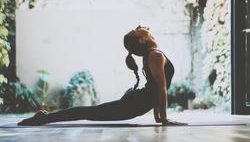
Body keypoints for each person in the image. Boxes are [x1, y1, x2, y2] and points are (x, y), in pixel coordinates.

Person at [17, 25, 186, 126]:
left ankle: (45, 117)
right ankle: (45, 117)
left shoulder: (153, 54)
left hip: (137, 103)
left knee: (89, 112)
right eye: (137, 29)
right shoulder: (155, 54)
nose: (143, 26)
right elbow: (161, 89)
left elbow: (157, 89)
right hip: (135, 104)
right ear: (142, 40)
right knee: (88, 112)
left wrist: (158, 117)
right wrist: (163, 118)